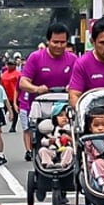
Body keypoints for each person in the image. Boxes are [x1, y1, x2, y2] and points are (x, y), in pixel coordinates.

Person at [19, 23, 77, 162]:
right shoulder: (36, 57)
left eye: (62, 42)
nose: (58, 46)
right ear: (48, 41)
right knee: (42, 134)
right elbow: (23, 82)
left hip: (66, 111)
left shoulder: (73, 59)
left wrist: (73, 87)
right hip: (42, 111)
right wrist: (37, 89)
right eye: (55, 42)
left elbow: (80, 82)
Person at [36, 103, 74, 168]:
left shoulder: (71, 130)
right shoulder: (51, 130)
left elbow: (75, 144)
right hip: (52, 151)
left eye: (66, 116)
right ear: (54, 118)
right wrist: (49, 141)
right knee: (42, 150)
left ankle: (63, 164)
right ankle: (48, 164)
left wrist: (69, 138)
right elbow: (43, 141)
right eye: (61, 115)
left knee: (69, 149)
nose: (64, 118)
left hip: (64, 151)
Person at [0, 57, 21, 136]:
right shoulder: (3, 75)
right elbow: (1, 85)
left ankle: (13, 126)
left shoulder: (18, 74)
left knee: (15, 112)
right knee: (2, 111)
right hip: (6, 96)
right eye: (9, 64)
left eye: (12, 64)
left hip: (15, 96)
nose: (10, 66)